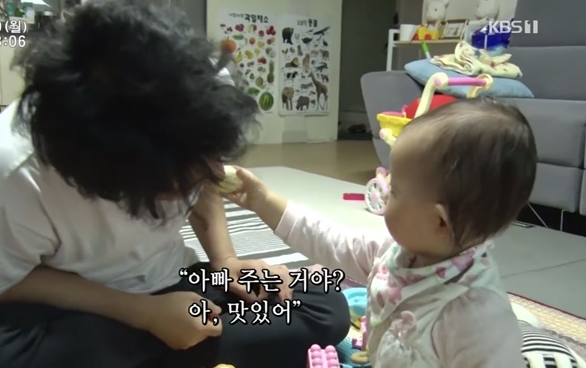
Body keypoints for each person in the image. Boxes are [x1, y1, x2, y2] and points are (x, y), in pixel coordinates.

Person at [0, 0, 349, 368]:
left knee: (323, 306)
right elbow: (3, 284)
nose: (208, 176)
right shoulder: (4, 168)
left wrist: (226, 263)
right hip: (71, 309)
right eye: (180, 180)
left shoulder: (191, 89)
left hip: (175, 283)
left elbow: (203, 176)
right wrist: (144, 315)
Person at [224, 98, 538, 367]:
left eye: (395, 190)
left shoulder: (478, 320)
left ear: (439, 222)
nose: (384, 194)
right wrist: (264, 202)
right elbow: (330, 240)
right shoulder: (394, 252)